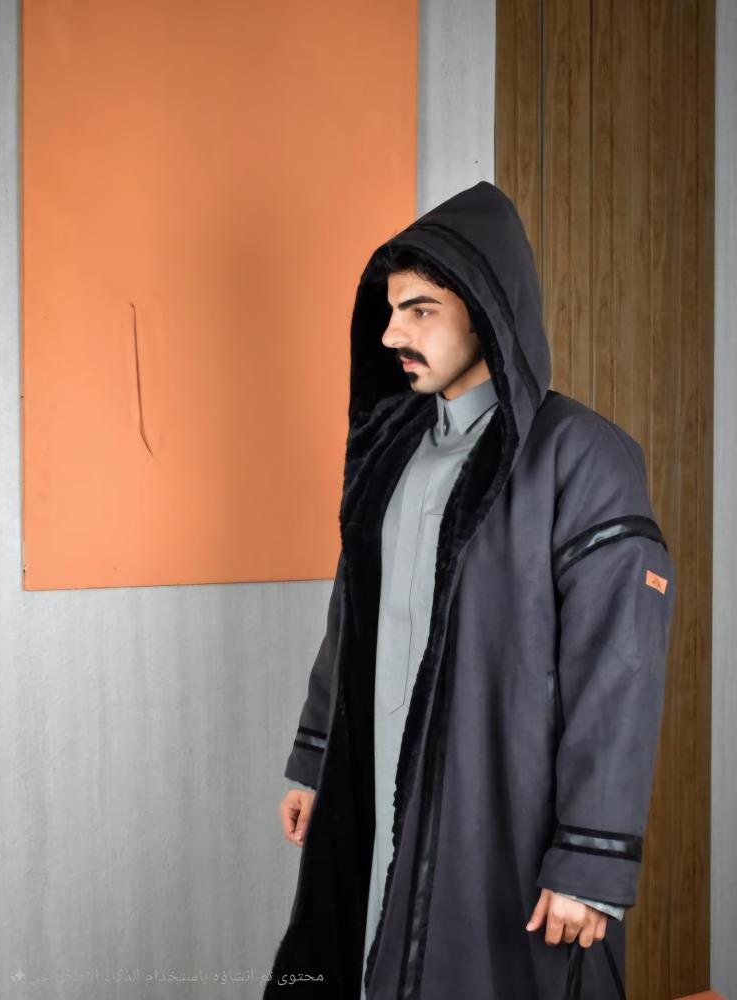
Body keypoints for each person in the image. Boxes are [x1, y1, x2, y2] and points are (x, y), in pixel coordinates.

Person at [264, 180, 676, 999]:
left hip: (504, 803)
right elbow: (353, 615)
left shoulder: (581, 457)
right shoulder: (393, 450)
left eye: (420, 310)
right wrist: (317, 760)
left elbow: (618, 665)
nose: (393, 334)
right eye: (391, 312)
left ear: (487, 310)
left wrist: (589, 859)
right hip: (377, 780)